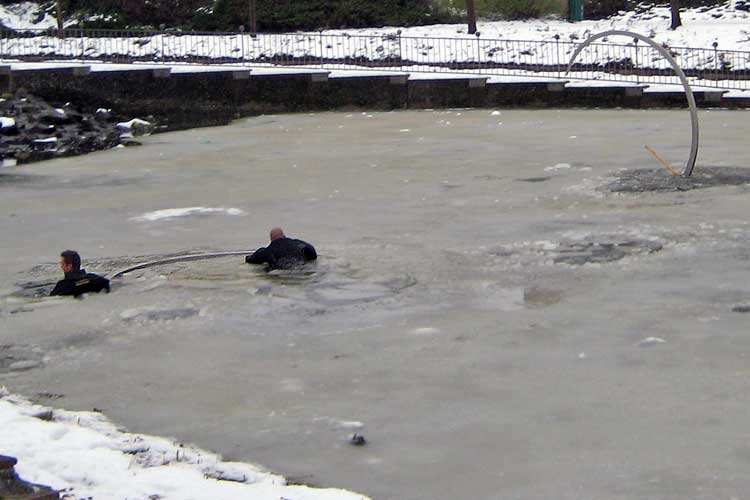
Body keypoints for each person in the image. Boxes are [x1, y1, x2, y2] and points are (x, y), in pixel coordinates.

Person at [245, 228, 317, 270]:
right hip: (301, 267)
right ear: (284, 235)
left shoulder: (268, 250)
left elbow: (251, 260)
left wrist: (249, 257)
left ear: (271, 239)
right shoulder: (298, 243)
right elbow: (311, 251)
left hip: (282, 271)